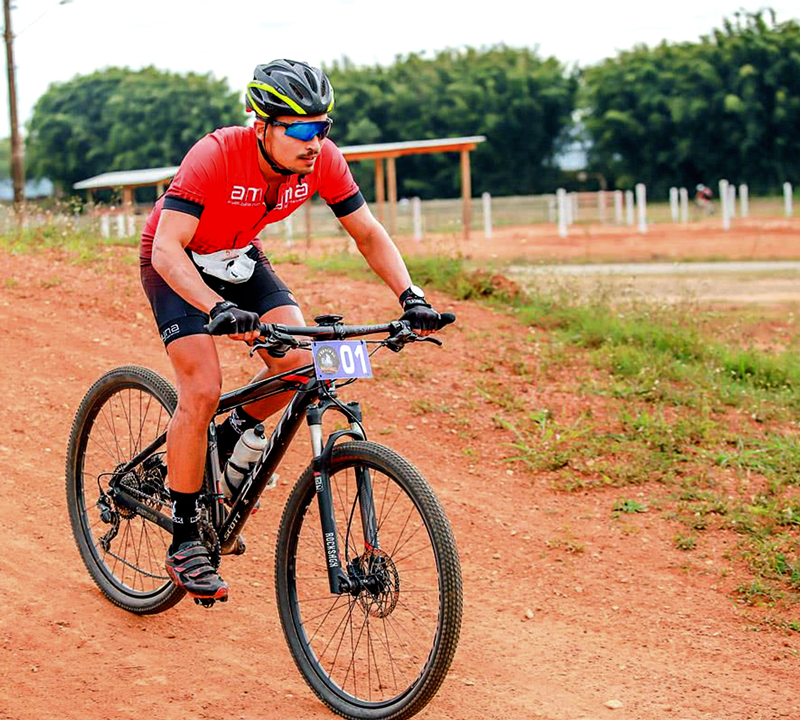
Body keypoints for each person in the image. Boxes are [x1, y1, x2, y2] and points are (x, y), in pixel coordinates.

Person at [139, 59, 441, 602]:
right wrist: (216, 308)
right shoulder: (216, 154)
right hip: (176, 261)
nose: (314, 142)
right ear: (262, 126)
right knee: (202, 389)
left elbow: (367, 233)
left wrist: (410, 296)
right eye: (300, 129)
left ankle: (227, 440)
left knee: (301, 364)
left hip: (237, 257)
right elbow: (166, 248)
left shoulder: (323, 162)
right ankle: (184, 538)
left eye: (322, 127)